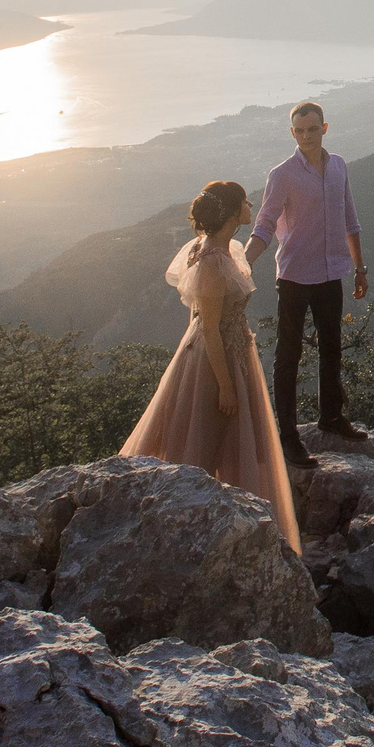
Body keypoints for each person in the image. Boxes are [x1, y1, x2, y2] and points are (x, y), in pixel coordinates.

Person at [119, 180, 301, 552]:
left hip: (225, 354)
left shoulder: (221, 249)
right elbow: (211, 330)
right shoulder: (214, 263)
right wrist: (225, 385)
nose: (251, 205)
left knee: (207, 441)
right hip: (215, 362)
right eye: (245, 202)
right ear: (234, 212)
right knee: (204, 444)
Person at [245, 101, 370, 467]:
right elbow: (265, 223)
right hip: (296, 277)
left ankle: (331, 417)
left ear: (325, 128)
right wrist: (243, 261)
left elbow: (350, 218)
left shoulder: (339, 167)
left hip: (332, 273)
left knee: (332, 349)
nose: (306, 136)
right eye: (299, 131)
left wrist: (360, 268)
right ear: (292, 133)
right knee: (289, 356)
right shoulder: (281, 174)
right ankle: (288, 437)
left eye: (312, 129)